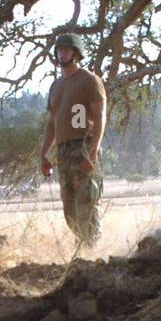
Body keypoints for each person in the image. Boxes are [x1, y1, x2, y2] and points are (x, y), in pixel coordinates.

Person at [40, 32, 106, 244]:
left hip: (84, 146)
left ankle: (93, 250)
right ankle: (83, 245)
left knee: (87, 201)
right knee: (69, 208)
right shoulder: (56, 86)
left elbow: (100, 116)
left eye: (66, 50)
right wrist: (44, 154)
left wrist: (93, 151)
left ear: (76, 53)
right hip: (63, 151)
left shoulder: (89, 80)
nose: (62, 54)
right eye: (59, 50)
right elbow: (52, 123)